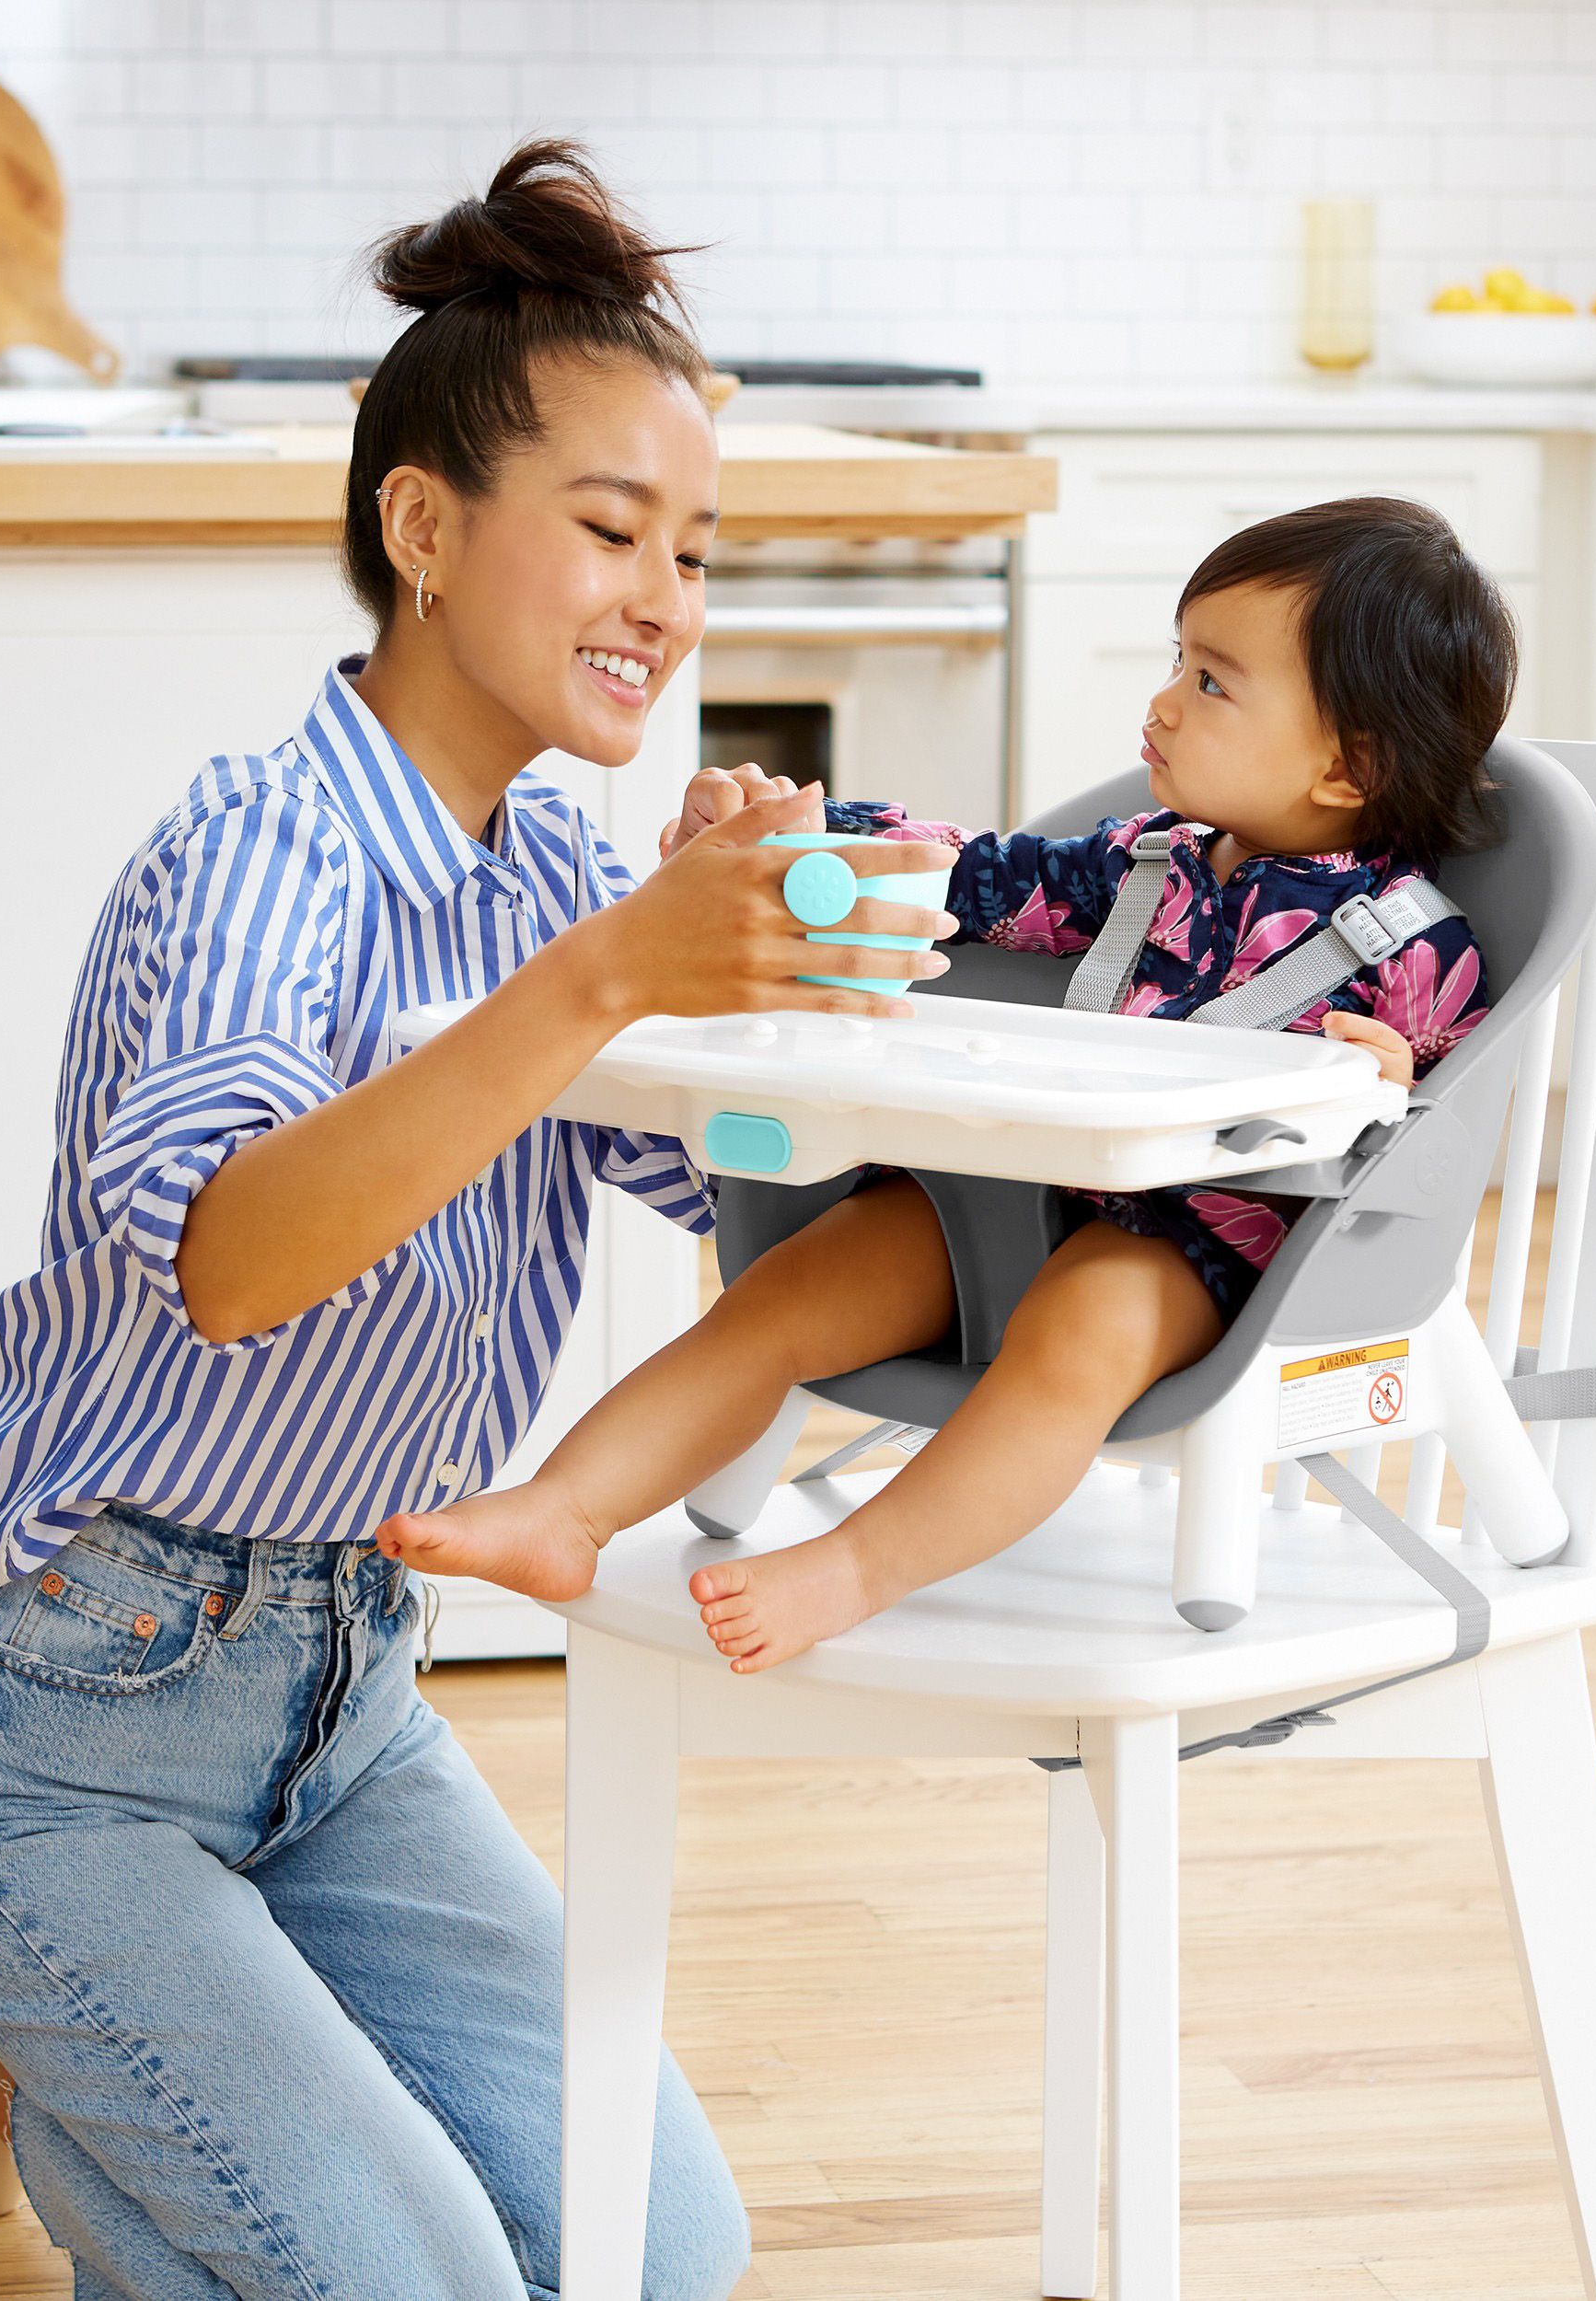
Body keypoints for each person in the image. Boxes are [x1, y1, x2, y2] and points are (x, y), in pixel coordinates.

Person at [0, 139, 953, 2299]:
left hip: (347, 1702)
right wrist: (602, 982)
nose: (661, 595)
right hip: (53, 1714)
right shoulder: (259, 858)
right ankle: (47, 2018)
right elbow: (236, 1262)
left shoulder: (565, 877)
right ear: (420, 528)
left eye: (691, 546)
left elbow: (754, 1227)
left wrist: (772, 980)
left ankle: (42, 2048)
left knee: (656, 2252)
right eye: (605, 529)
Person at [376, 498, 1509, 1673]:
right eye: (1177, 659)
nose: (1162, 699)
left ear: (1347, 764)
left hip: (1195, 1252)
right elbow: (961, 874)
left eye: (1213, 682)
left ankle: (854, 1568)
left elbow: (1428, 1128)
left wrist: (1383, 1074)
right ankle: (566, 1506)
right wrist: (804, 835)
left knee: (1081, 1325)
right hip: (1020, 1196)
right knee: (790, 1284)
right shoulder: (1144, 861)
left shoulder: (1407, 946)